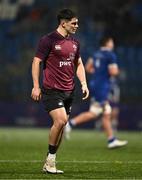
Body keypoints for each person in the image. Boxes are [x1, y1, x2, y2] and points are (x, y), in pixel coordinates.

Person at [31, 9, 89, 174]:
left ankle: (50, 162)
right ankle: (50, 160)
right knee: (62, 120)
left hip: (69, 91)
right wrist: (36, 86)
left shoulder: (75, 43)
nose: (77, 26)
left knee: (61, 127)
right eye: (74, 23)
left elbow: (78, 63)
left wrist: (84, 83)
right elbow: (36, 63)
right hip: (51, 90)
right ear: (63, 23)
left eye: (77, 23)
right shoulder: (47, 40)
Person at [65, 37, 128, 149]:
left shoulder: (95, 54)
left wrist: (99, 72)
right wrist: (118, 71)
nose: (112, 44)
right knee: (101, 112)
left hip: (95, 84)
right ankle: (111, 140)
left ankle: (111, 139)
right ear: (108, 43)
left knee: (99, 112)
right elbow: (113, 72)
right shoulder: (110, 55)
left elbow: (88, 68)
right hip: (103, 86)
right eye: (111, 42)